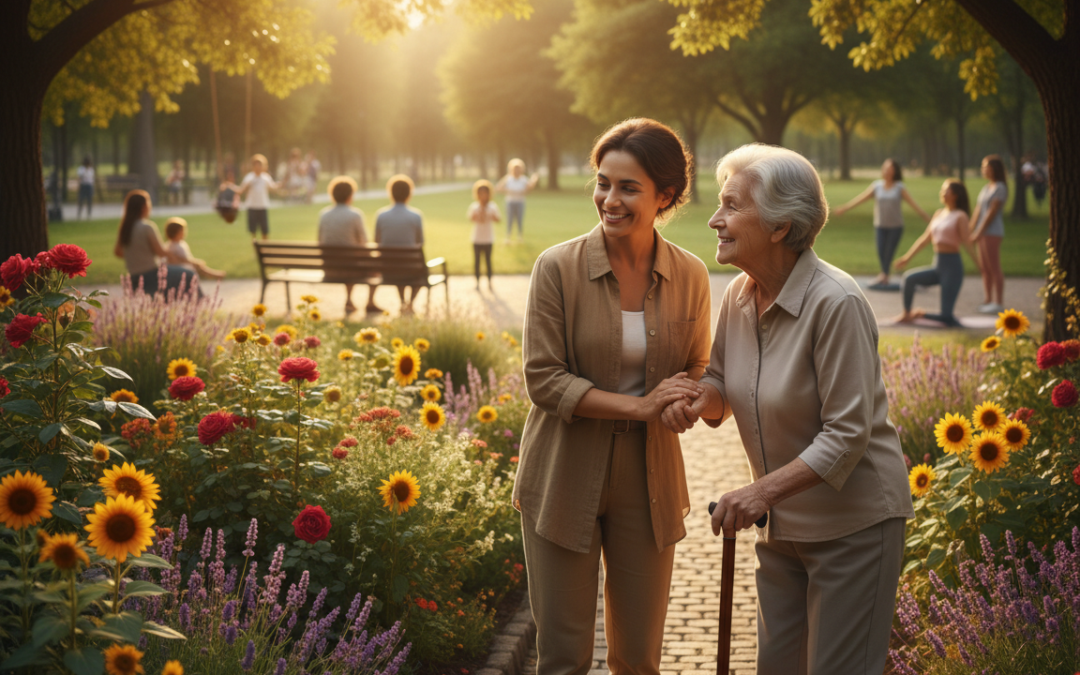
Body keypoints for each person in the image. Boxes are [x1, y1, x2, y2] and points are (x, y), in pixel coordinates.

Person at [661, 144, 913, 675]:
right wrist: (696, 398)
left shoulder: (835, 303)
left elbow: (847, 434)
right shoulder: (738, 295)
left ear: (779, 227)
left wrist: (759, 491)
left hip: (854, 529)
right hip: (781, 530)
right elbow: (722, 383)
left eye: (731, 205)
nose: (714, 219)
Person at [513, 118, 712, 675]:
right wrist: (640, 405)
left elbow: (698, 364)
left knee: (640, 659)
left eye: (629, 188)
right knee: (563, 656)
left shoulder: (691, 274)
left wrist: (681, 400)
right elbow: (544, 378)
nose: (609, 199)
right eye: (604, 183)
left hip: (650, 480)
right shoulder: (556, 267)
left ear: (665, 196)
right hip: (563, 471)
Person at [830, 158, 931, 290]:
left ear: (895, 171)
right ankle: (884, 275)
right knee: (881, 252)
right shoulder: (876, 186)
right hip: (880, 226)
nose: (887, 171)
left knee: (888, 252)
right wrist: (845, 208)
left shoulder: (899, 187)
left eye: (890, 169)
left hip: (896, 227)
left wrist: (926, 217)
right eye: (885, 168)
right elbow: (861, 199)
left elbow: (913, 204)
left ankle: (884, 276)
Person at [892, 180, 980, 327]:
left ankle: (920, 314)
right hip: (938, 265)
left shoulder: (960, 216)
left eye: (946, 191)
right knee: (909, 279)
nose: (942, 193)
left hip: (952, 268)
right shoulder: (939, 213)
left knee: (946, 317)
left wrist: (979, 265)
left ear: (956, 195)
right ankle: (907, 314)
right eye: (942, 190)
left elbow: (968, 244)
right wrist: (906, 258)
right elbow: (925, 239)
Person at [112, 190, 197, 295]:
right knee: (189, 274)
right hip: (151, 275)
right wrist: (176, 257)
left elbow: (118, 252)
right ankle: (201, 305)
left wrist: (136, 255)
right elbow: (161, 252)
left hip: (134, 277)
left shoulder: (125, 228)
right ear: (144, 207)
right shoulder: (147, 227)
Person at [318, 175, 380, 315]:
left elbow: (320, 242)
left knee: (349, 258)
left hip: (330, 268)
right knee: (373, 263)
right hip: (350, 268)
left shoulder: (324, 215)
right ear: (350, 195)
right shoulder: (355, 215)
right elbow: (364, 244)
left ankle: (349, 300)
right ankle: (369, 301)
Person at [374, 175, 425, 315]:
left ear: (390, 193)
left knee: (396, 261)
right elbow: (420, 242)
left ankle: (403, 302)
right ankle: (410, 303)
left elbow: (377, 241)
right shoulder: (416, 216)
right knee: (416, 271)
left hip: (388, 269)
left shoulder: (381, 215)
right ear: (409, 194)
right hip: (410, 269)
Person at [969, 154, 1009, 314]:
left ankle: (998, 302)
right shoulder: (986, 188)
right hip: (982, 232)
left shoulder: (1000, 187)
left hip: (992, 232)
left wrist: (978, 232)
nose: (983, 169)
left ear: (994, 168)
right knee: (984, 268)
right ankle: (988, 300)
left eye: (986, 166)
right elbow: (978, 211)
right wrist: (970, 229)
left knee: (994, 267)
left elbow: (991, 213)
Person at [236, 154, 280, 241]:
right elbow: (241, 190)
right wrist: (229, 186)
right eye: (256, 165)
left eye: (260, 165)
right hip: (252, 206)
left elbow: (273, 187)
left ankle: (265, 249)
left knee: (265, 231)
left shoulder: (266, 177)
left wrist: (282, 183)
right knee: (253, 231)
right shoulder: (249, 177)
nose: (258, 167)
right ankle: (256, 249)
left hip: (262, 206)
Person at [496, 158, 539, 243]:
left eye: (518, 169)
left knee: (519, 219)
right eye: (515, 169)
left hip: (520, 202)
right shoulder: (508, 178)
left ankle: (520, 237)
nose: (516, 171)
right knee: (510, 219)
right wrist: (509, 191)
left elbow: (529, 187)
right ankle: (508, 237)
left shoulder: (523, 179)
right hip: (510, 202)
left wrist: (534, 179)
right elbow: (498, 187)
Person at [468, 179, 501, 291]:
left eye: (485, 193)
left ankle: (489, 281)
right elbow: (471, 218)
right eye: (480, 193)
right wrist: (479, 212)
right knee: (477, 261)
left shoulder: (492, 206)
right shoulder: (474, 206)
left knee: (488, 261)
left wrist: (490, 214)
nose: (483, 196)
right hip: (477, 238)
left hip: (488, 238)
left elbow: (498, 219)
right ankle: (477, 282)